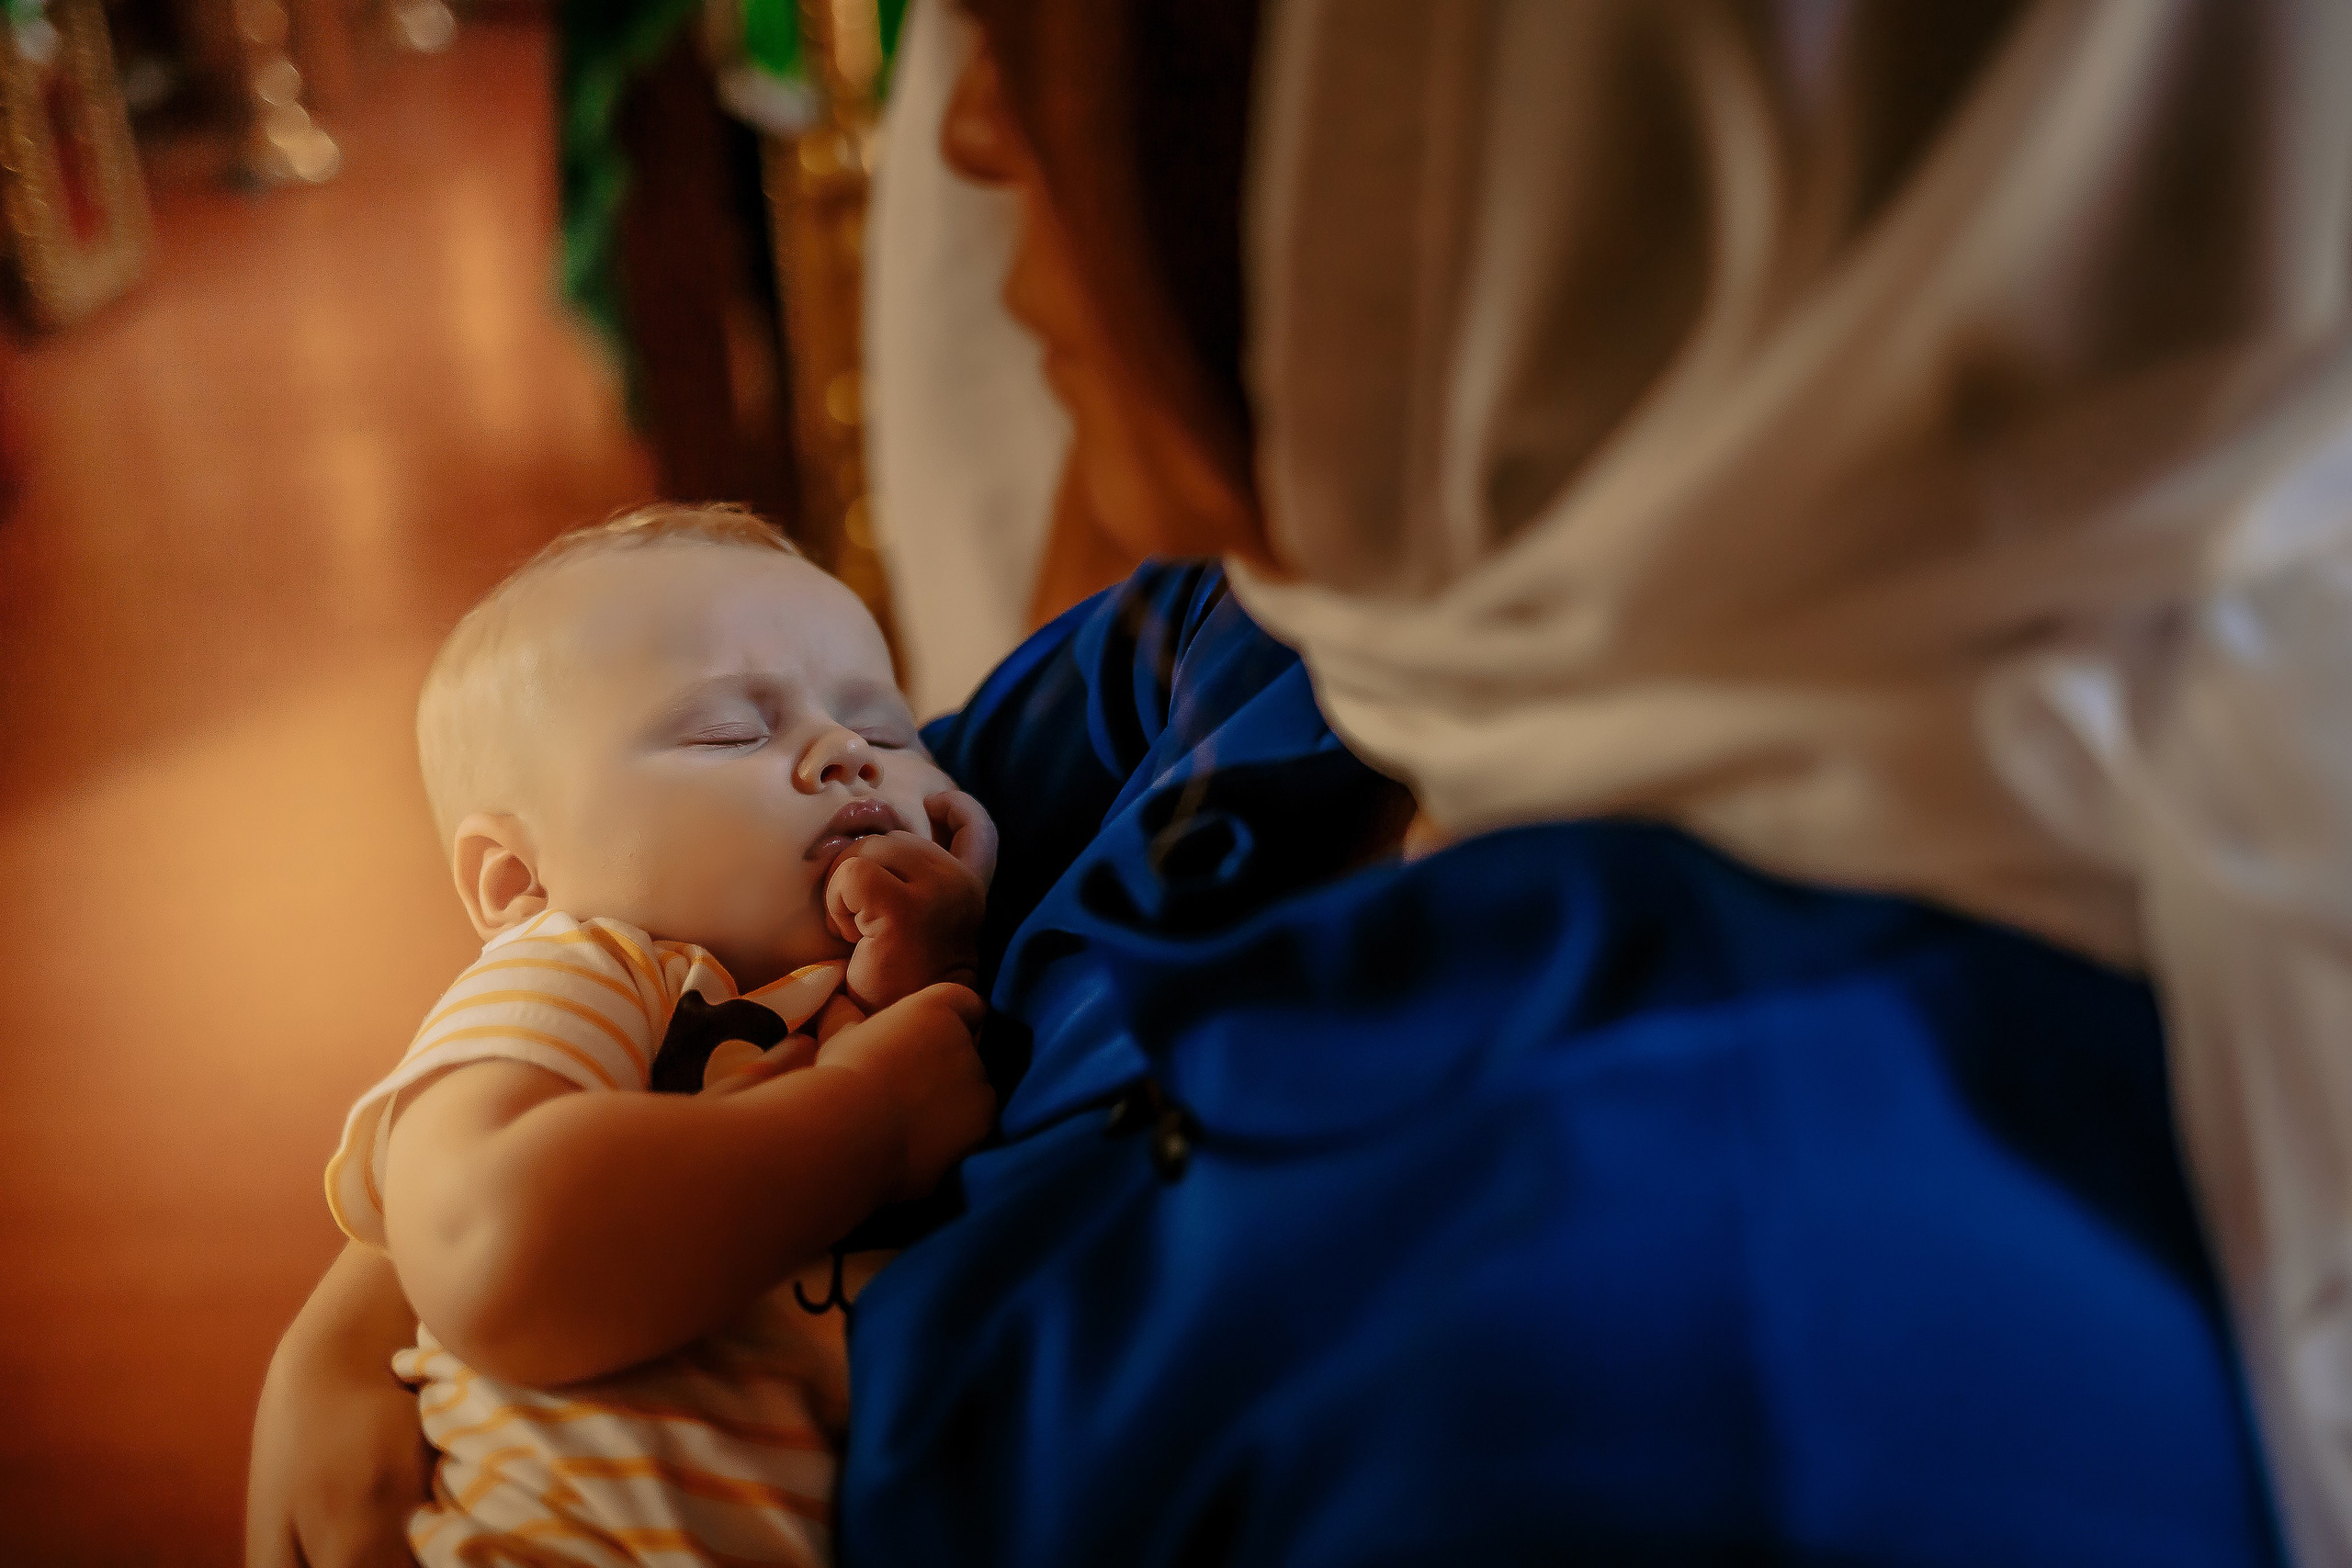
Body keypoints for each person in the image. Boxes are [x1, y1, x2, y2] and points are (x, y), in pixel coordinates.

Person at [254, 1, 2352, 1563]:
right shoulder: (1287, 637)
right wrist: (415, 1256)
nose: (969, 142)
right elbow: (728, 905)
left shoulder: (1688, 1360)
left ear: (1536, 118)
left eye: (1058, 52)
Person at [301, 503, 999, 1566]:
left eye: (891, 732)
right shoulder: (593, 965)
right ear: (520, 880)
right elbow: (483, 1241)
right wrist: (873, 1118)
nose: (847, 754)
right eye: (732, 731)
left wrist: (949, 927)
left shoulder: (882, 988)